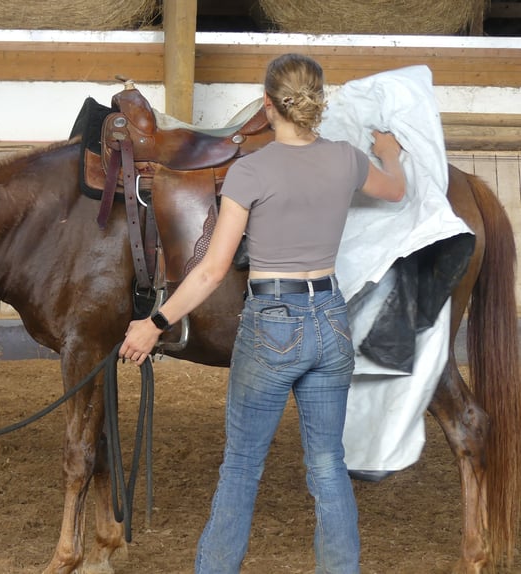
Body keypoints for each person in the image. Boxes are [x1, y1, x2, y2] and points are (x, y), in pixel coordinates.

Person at [118, 53, 406, 573]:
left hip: (273, 321)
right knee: (327, 466)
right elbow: (397, 189)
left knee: (243, 466)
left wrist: (153, 323)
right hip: (331, 316)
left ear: (267, 105)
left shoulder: (251, 170)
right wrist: (389, 152)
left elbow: (210, 271)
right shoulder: (346, 159)